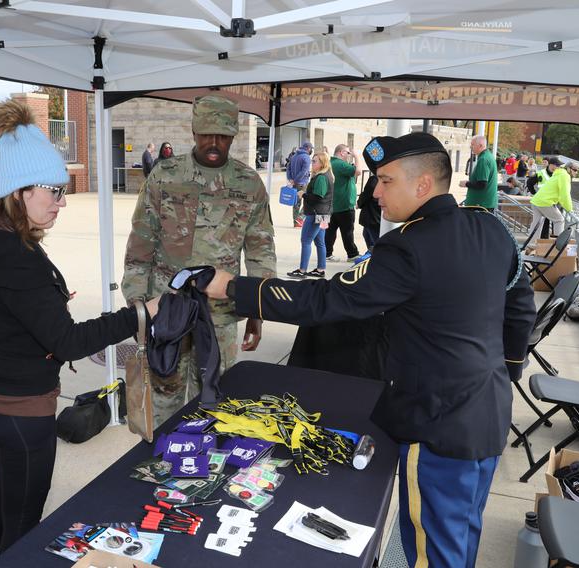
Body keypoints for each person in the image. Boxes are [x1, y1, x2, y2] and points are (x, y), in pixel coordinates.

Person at [205, 132, 536, 568]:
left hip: (438, 424)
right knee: (462, 530)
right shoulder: (491, 228)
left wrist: (234, 287)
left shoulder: (407, 247)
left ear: (422, 185)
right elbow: (520, 301)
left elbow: (327, 301)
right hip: (488, 410)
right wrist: (508, 367)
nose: (375, 192)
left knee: (430, 549)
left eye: (385, 181)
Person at [0, 100, 161, 567]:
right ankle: (6, 558)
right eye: (56, 192)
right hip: (16, 404)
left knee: (5, 480)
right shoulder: (17, 258)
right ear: (20, 190)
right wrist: (140, 313)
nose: (63, 203)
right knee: (25, 516)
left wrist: (38, 305)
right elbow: (67, 342)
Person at [122, 94, 276, 426]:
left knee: (217, 397)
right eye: (206, 134)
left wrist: (257, 311)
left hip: (220, 315)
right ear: (193, 132)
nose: (214, 143)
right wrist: (137, 309)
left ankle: (207, 464)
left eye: (222, 136)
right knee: (164, 395)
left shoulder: (248, 184)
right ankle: (163, 457)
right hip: (166, 310)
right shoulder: (165, 175)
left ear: (233, 136)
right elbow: (140, 245)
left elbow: (261, 251)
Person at [287, 152, 333, 279]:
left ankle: (302, 270)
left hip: (316, 214)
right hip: (322, 213)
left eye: (315, 161)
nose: (312, 163)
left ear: (322, 163)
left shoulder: (322, 177)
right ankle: (320, 269)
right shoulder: (324, 175)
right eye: (312, 160)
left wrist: (303, 194)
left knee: (306, 241)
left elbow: (318, 197)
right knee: (320, 243)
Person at [325, 144, 362, 262]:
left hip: (331, 205)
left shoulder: (330, 163)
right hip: (344, 205)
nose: (349, 155)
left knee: (330, 232)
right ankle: (352, 254)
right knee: (347, 232)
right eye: (347, 153)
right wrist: (356, 156)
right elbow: (358, 171)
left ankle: (327, 253)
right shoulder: (340, 164)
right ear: (341, 153)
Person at [528, 157, 576, 238]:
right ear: (568, 169)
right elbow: (565, 195)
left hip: (536, 201)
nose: (576, 172)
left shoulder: (557, 174)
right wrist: (569, 209)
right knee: (559, 220)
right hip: (545, 202)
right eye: (575, 170)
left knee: (536, 224)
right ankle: (557, 247)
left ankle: (530, 245)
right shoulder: (565, 176)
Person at [459, 134, 499, 211]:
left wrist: (466, 183)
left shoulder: (483, 159)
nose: (471, 147)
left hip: (480, 205)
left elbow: (482, 184)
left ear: (480, 145)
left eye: (472, 144)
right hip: (484, 204)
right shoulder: (488, 156)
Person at [286, 141, 313, 227]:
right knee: (309, 201)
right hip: (302, 183)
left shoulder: (294, 156)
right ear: (308, 148)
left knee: (296, 203)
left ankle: (295, 222)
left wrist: (291, 179)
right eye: (311, 149)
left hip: (294, 183)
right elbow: (304, 171)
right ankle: (300, 218)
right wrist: (296, 180)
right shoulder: (306, 157)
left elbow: (288, 168)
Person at [356, 173, 381, 250]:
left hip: (372, 214)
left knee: (372, 237)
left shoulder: (375, 178)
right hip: (373, 213)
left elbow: (367, 193)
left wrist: (359, 203)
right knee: (367, 234)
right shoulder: (378, 178)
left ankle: (374, 254)